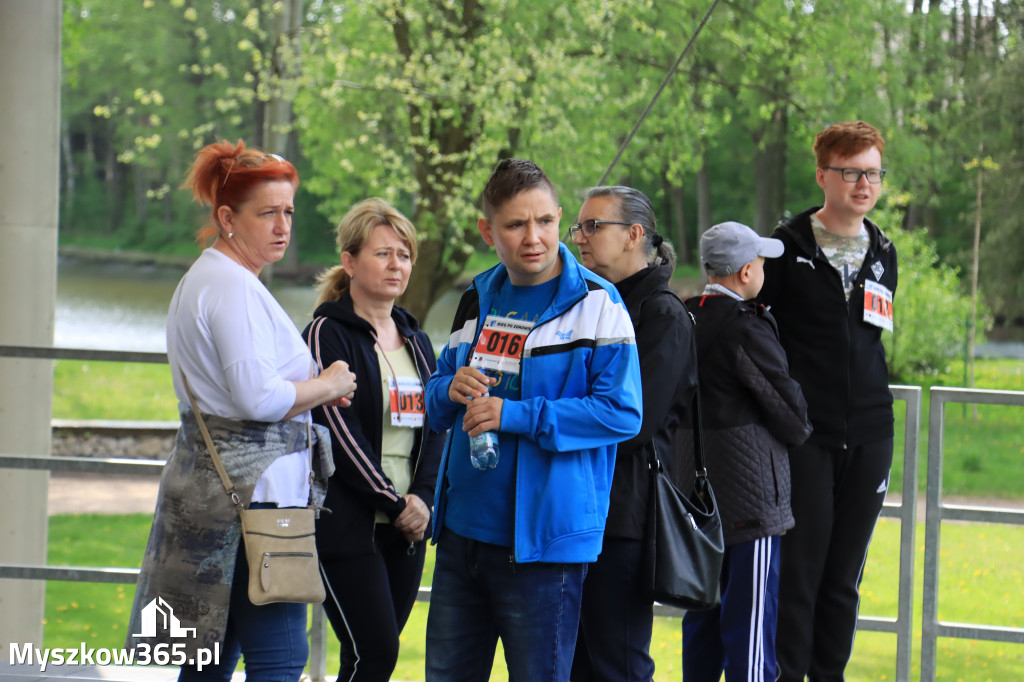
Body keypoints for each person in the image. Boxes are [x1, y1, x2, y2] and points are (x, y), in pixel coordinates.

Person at [127, 140, 357, 682]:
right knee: (279, 659)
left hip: (221, 494)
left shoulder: (206, 281)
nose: (283, 226)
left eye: (289, 212)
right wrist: (325, 385)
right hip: (255, 504)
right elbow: (258, 398)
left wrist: (310, 389)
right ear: (227, 217)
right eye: (268, 213)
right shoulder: (230, 287)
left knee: (210, 654)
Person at [423, 158, 644, 682]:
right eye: (516, 225)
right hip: (460, 539)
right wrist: (449, 390)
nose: (534, 238)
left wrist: (516, 415)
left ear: (559, 217)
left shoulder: (598, 304)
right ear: (487, 231)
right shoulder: (476, 299)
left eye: (544, 221)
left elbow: (622, 413)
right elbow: (433, 405)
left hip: (545, 550)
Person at [757, 121, 898, 681]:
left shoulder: (884, 250)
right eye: (851, 172)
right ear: (823, 176)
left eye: (873, 173)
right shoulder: (786, 245)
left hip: (869, 434)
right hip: (803, 435)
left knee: (844, 577)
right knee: (801, 572)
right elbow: (756, 329)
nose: (863, 183)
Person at [301, 198, 445, 682]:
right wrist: (392, 499)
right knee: (374, 655)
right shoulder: (327, 333)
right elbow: (337, 431)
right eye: (382, 254)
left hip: (407, 527)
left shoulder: (417, 340)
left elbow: (437, 423)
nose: (396, 266)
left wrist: (422, 499)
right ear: (349, 262)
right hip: (350, 523)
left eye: (404, 255)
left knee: (367, 660)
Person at [567, 185, 698, 682]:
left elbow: (634, 423)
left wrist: (552, 420)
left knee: (617, 660)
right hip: (579, 508)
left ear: (634, 236)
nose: (580, 237)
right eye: (578, 226)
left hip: (623, 514)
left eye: (593, 226)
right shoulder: (595, 304)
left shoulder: (662, 314)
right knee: (575, 661)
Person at [682, 221, 812, 682]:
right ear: (744, 272)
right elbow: (792, 417)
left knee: (701, 620)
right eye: (759, 262)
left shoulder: (683, 316)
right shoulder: (744, 327)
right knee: (752, 630)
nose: (763, 270)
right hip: (750, 502)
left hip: (696, 499)